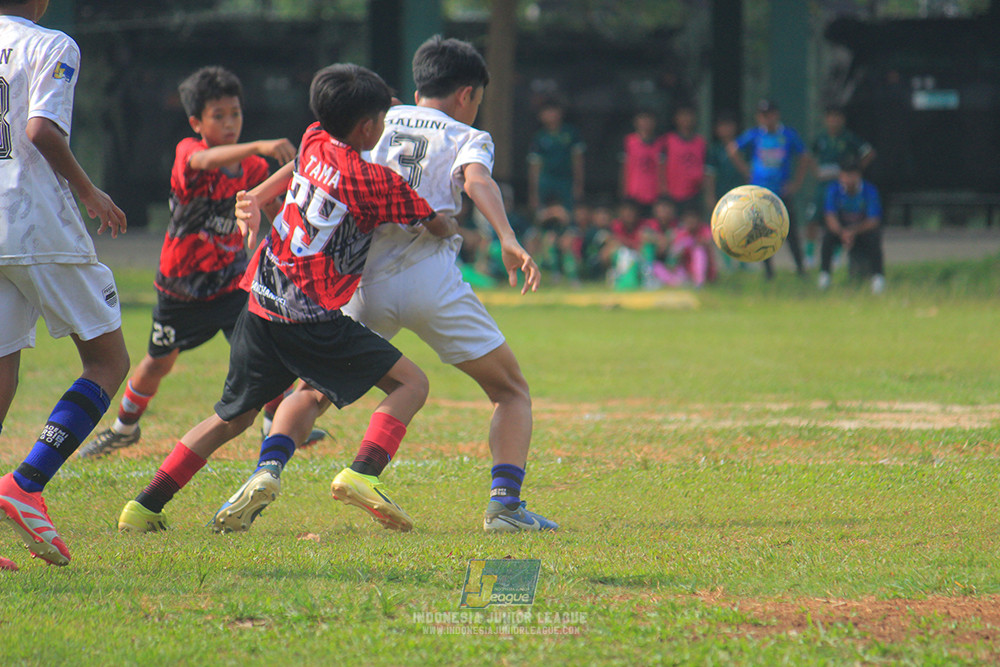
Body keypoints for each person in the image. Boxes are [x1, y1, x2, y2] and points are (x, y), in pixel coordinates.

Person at [212, 36, 557, 534]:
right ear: (467, 94)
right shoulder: (467, 134)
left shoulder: (381, 116)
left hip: (362, 285)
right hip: (431, 282)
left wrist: (262, 193)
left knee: (311, 390)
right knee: (510, 391)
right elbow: (478, 180)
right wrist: (506, 236)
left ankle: (267, 469)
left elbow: (310, 158)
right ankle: (504, 506)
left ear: (418, 89)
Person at [115, 63, 458, 534]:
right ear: (367, 127)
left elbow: (298, 167)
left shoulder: (314, 137)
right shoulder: (379, 183)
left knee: (230, 417)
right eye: (382, 117)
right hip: (311, 320)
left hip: (260, 301)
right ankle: (363, 473)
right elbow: (435, 224)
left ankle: (144, 506)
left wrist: (258, 195)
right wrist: (454, 223)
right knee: (411, 384)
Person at [77, 66, 325, 459]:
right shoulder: (189, 151)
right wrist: (259, 145)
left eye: (235, 114)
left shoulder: (254, 169)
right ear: (196, 123)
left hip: (231, 283)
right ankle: (124, 428)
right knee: (157, 363)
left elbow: (274, 208)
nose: (230, 123)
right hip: (182, 288)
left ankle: (274, 424)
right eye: (218, 116)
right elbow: (206, 160)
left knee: (267, 348)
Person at [0, 0, 130, 566]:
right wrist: (88, 190)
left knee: (0, 371)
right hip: (36, 224)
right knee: (107, 360)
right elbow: (40, 129)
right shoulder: (51, 43)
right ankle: (26, 483)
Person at [728, 99, 813, 278]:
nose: (766, 119)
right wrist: (747, 171)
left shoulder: (787, 134)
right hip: (761, 192)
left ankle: (800, 268)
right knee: (761, 231)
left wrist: (797, 182)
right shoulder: (755, 134)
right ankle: (769, 272)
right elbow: (733, 149)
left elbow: (804, 156)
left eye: (769, 115)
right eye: (763, 115)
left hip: (782, 190)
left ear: (776, 115)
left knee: (790, 231)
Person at [805, 105, 876, 268]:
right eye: (830, 117)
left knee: (839, 219)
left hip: (839, 186)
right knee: (812, 218)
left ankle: (836, 255)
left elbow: (869, 152)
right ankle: (809, 255)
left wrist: (853, 171)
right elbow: (809, 155)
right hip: (823, 185)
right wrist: (816, 171)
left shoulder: (848, 138)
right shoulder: (821, 138)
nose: (833, 121)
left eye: (837, 117)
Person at [818, 156, 886, 294]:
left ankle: (878, 278)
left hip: (861, 230)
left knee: (874, 237)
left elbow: (873, 219)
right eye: (845, 175)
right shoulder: (833, 189)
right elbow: (830, 216)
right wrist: (842, 232)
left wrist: (853, 232)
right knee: (827, 238)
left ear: (858, 176)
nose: (848, 180)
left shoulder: (869, 190)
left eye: (852, 175)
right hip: (841, 231)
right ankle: (825, 276)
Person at [527, 98, 585, 213]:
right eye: (546, 112)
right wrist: (533, 193)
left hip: (566, 179)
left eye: (553, 111)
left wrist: (579, 184)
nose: (550, 115)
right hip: (546, 179)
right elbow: (535, 166)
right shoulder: (539, 137)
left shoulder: (570, 133)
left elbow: (578, 160)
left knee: (569, 211)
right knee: (543, 211)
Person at [661, 103, 707, 213]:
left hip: (694, 195)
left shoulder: (701, 142)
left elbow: (706, 170)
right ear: (676, 118)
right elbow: (661, 167)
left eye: (689, 115)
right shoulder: (668, 141)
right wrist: (663, 191)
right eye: (682, 115)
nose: (686, 119)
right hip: (672, 195)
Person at [620, 110, 663, 215]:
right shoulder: (628, 141)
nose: (645, 123)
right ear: (636, 122)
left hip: (654, 195)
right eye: (642, 119)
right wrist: (623, 193)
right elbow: (624, 169)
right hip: (633, 194)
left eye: (648, 119)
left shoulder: (661, 143)